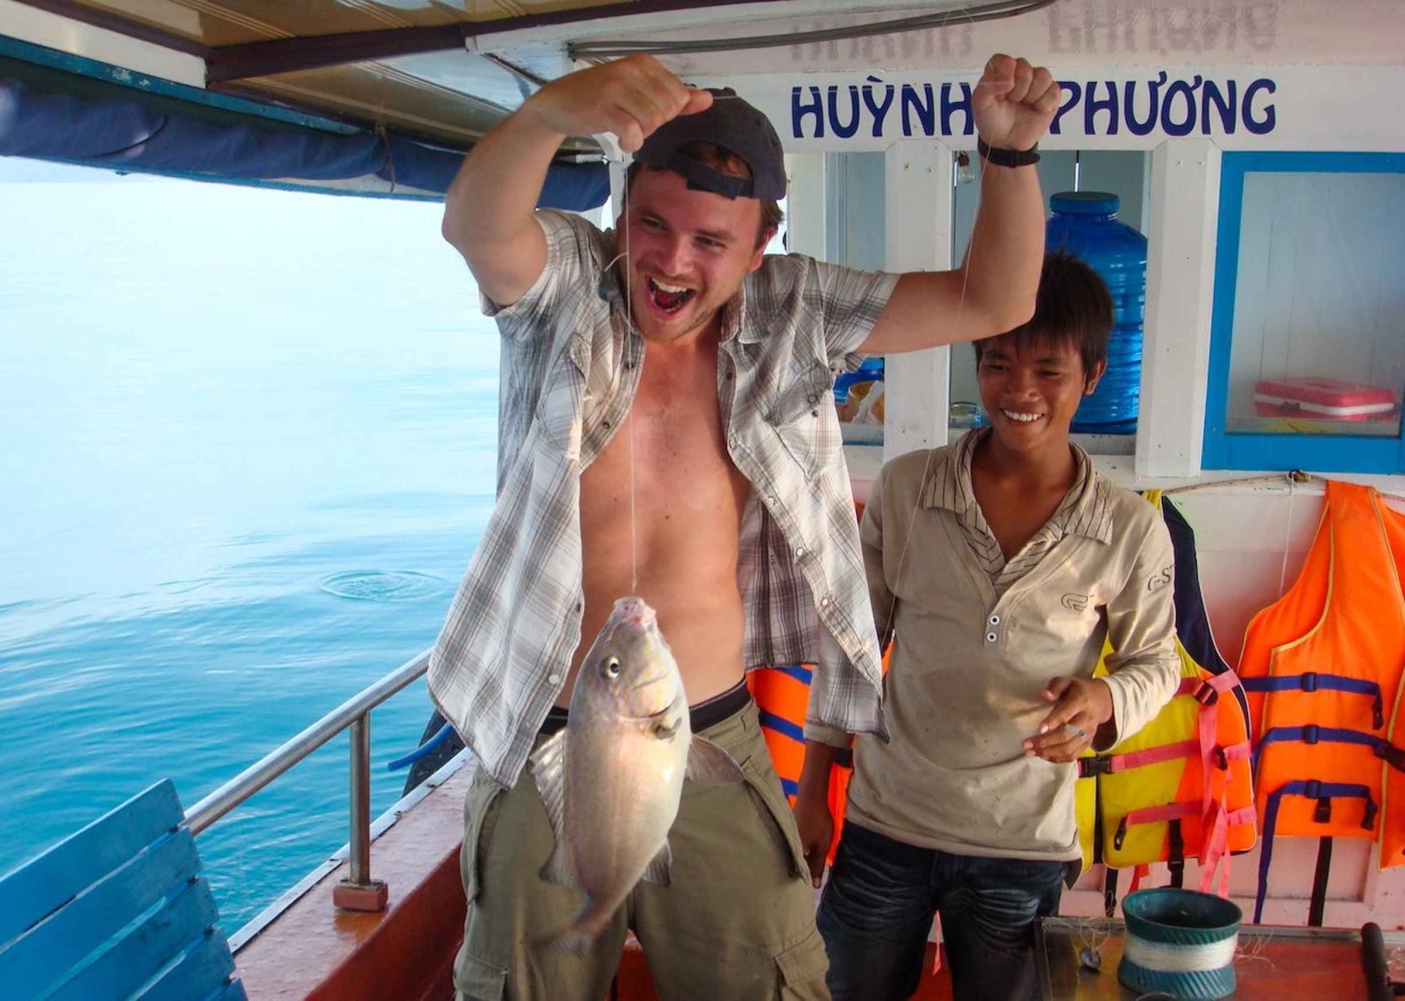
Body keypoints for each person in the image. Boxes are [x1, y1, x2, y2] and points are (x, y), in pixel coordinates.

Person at [433, 50, 1060, 1001]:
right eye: (652, 223)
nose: (671, 261)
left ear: (763, 243)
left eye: (710, 240)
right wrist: (552, 111)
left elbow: (995, 299)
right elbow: (476, 225)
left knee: (773, 979)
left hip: (713, 734)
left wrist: (1009, 158)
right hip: (542, 732)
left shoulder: (796, 307)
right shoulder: (565, 285)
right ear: (622, 210)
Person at [796, 252, 1182, 1001]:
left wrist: (1102, 700)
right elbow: (852, 645)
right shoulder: (909, 489)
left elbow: (1155, 662)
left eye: (1049, 370)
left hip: (1022, 841)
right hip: (886, 824)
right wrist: (814, 788)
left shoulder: (1128, 528)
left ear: (1093, 375)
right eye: (998, 365)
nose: (1020, 391)